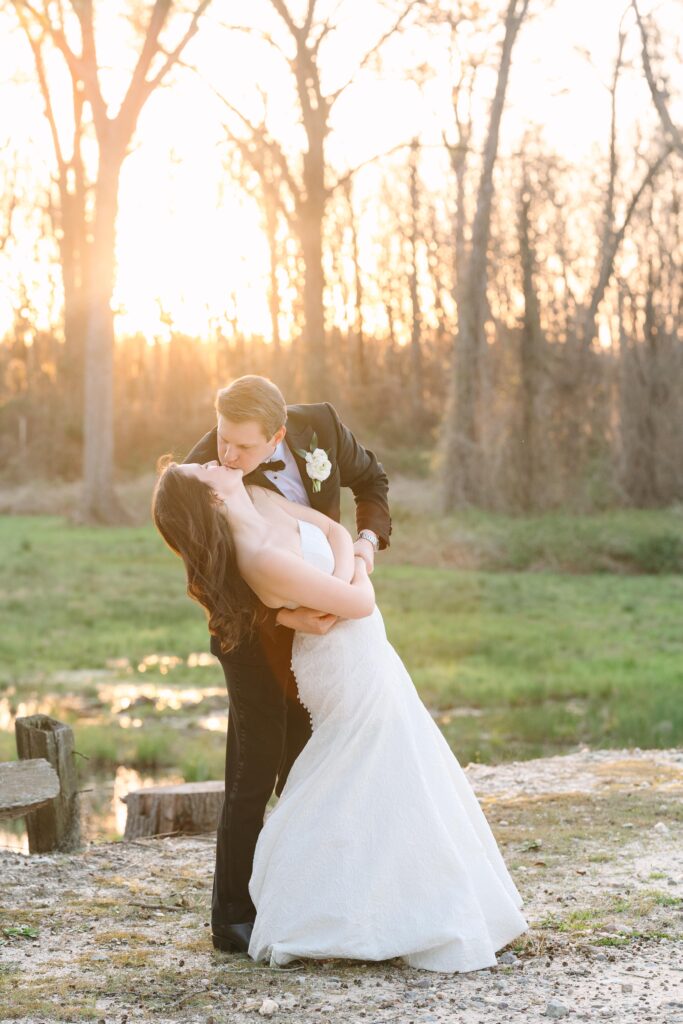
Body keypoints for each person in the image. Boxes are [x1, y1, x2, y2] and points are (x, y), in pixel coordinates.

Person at [152, 457, 529, 973]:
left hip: (366, 647)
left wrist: (346, 566)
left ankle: (410, 894)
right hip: (339, 662)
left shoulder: (261, 496)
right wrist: (356, 578)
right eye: (202, 469)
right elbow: (358, 605)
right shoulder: (256, 556)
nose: (211, 458)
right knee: (356, 768)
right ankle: (327, 908)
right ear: (211, 498)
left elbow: (331, 530)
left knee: (398, 767)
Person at [181, 376, 391, 953]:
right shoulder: (205, 471)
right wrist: (285, 614)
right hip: (248, 631)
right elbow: (207, 576)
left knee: (308, 764)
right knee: (253, 766)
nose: (228, 454)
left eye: (243, 446)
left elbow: (371, 481)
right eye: (222, 438)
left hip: (321, 636)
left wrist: (365, 543)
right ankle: (231, 916)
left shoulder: (320, 426)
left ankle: (301, 898)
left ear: (277, 435)